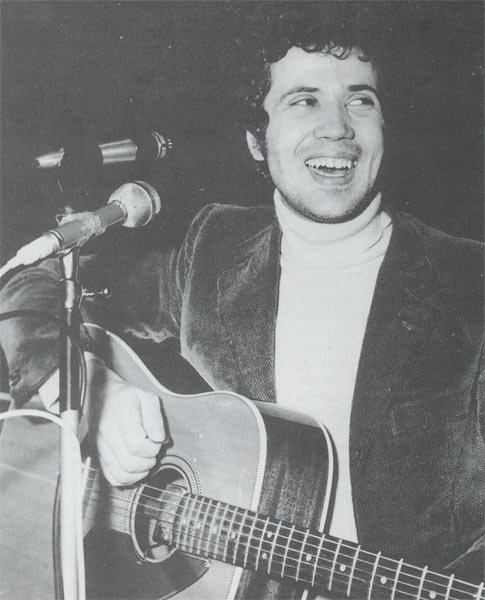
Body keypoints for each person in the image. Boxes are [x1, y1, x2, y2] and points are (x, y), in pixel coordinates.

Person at [0, 9, 483, 596]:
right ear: (257, 140)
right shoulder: (211, 246)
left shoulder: (470, 284)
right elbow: (31, 290)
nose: (337, 127)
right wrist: (93, 394)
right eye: (304, 101)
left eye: (360, 100)